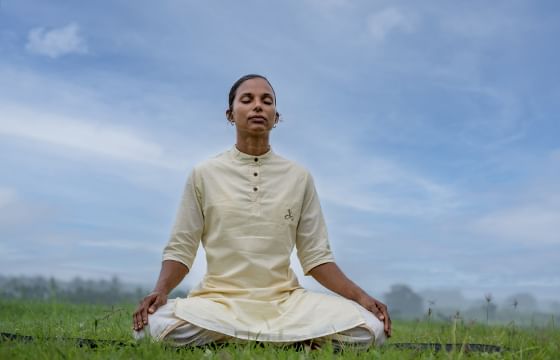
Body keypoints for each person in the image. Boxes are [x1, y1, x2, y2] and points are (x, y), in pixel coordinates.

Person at [132, 74, 391, 348]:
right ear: (230, 114)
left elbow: (316, 257)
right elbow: (181, 248)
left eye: (266, 101)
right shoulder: (204, 174)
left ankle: (243, 341)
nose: (258, 106)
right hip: (219, 301)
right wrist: (159, 291)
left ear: (275, 117)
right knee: (151, 325)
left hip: (285, 303)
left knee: (373, 328)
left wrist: (361, 297)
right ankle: (292, 343)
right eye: (248, 99)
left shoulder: (299, 177)